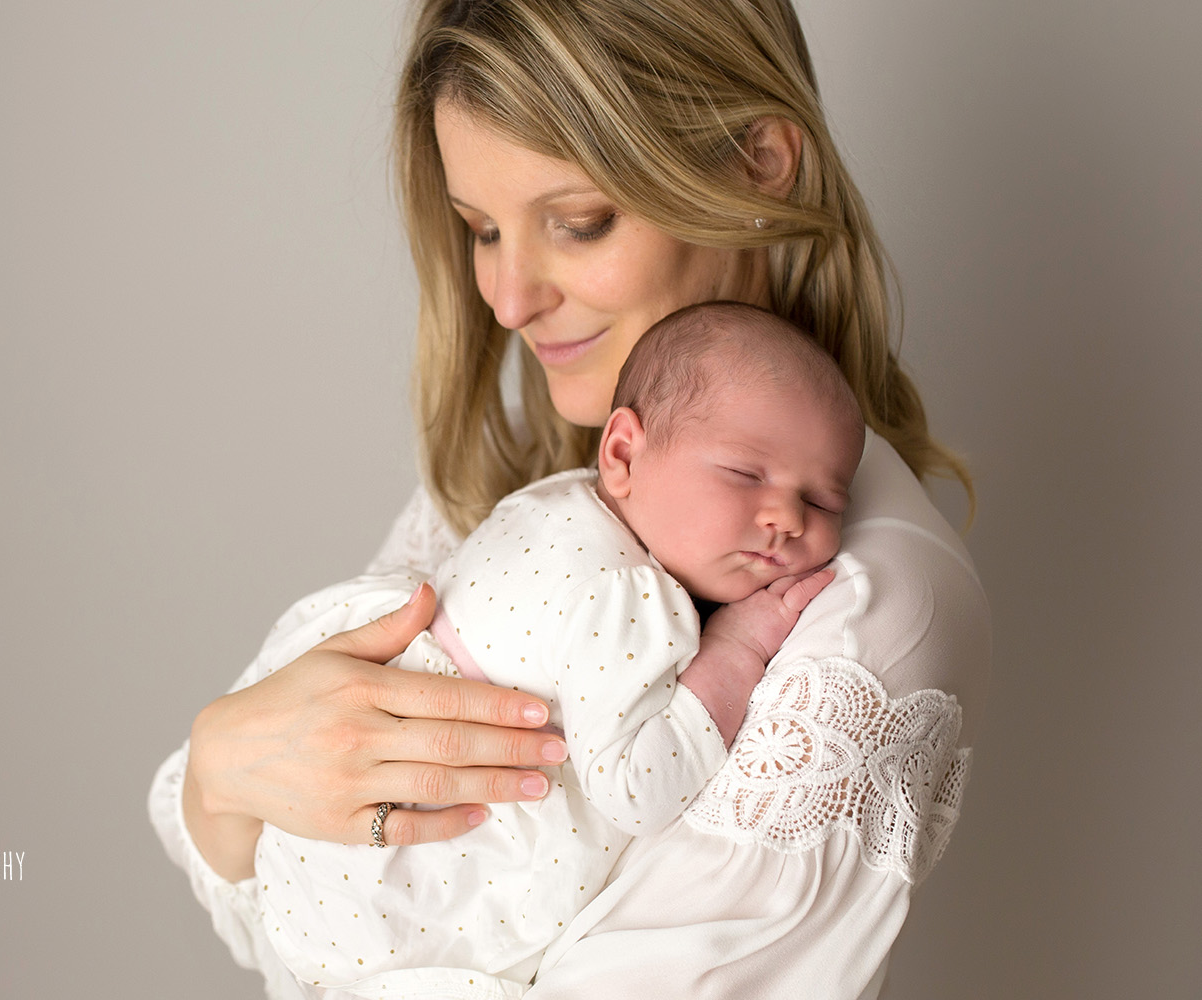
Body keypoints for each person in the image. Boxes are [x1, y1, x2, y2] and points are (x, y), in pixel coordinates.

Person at [149, 2, 991, 997]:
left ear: (760, 163)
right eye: (482, 229)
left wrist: (237, 786)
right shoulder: (530, 495)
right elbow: (288, 919)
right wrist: (223, 763)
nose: (507, 298)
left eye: (578, 223)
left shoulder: (858, 604)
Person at [240, 303, 863, 995]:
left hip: (323, 875)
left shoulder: (555, 505)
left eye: (824, 500)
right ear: (623, 453)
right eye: (746, 475)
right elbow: (638, 790)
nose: (787, 517)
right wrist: (739, 648)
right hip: (409, 904)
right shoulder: (626, 592)